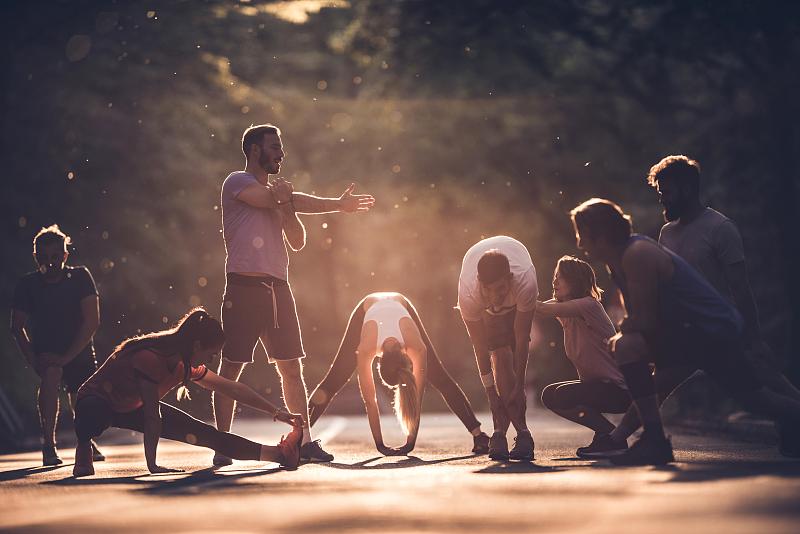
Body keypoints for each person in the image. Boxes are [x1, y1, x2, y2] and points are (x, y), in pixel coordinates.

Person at [569, 198, 800, 465]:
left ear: (601, 233)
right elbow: (642, 321)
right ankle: (652, 440)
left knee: (757, 401)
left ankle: (650, 440)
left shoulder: (637, 253)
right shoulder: (617, 261)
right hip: (686, 336)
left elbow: (644, 321)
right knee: (632, 351)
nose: (579, 243)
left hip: (712, 333)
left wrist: (621, 333)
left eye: (582, 234)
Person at [215, 123, 374, 466]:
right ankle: (223, 444)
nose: (281, 154)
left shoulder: (280, 195)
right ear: (255, 150)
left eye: (281, 148)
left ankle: (303, 441)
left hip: (278, 288)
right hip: (243, 288)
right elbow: (274, 198)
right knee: (231, 368)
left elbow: (297, 239)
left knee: (291, 367)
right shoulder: (237, 182)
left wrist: (335, 206)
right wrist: (289, 200)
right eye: (274, 147)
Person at [73, 308, 304, 477]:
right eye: (211, 354)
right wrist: (152, 465)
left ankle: (278, 454)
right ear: (196, 347)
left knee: (206, 434)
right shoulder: (151, 358)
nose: (211, 360)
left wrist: (277, 412)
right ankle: (83, 446)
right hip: (99, 400)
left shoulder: (187, 365)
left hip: (133, 406)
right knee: (92, 412)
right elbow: (152, 417)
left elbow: (231, 388)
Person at [650, 155, 800, 404]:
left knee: (766, 385)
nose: (661, 197)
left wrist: (754, 338)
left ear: (686, 190)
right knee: (655, 388)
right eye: (660, 191)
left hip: (721, 330)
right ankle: (629, 438)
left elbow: (740, 288)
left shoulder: (721, 228)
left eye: (666, 191)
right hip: (685, 332)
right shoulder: (666, 233)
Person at [308, 292, 491, 455]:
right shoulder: (373, 347)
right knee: (336, 378)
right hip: (369, 307)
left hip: (400, 304)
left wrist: (384, 445)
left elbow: (372, 402)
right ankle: (300, 438)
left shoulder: (413, 347)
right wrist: (401, 443)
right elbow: (383, 401)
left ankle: (479, 436)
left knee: (439, 376)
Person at [10, 225, 105, 466]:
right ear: (36, 257)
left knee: (81, 394)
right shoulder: (27, 284)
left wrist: (68, 357)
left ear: (64, 256)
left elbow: (92, 321)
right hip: (47, 352)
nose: (50, 263)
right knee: (51, 376)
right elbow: (16, 327)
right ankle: (48, 444)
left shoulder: (81, 277)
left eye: (55, 257)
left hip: (78, 349)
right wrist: (33, 361)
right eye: (44, 258)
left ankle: (85, 438)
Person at [537, 256, 630, 458]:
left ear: (575, 280)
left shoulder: (589, 305)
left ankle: (613, 437)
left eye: (560, 277)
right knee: (550, 394)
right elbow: (538, 308)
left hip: (619, 390)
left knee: (562, 395)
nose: (554, 282)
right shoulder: (566, 310)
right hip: (597, 388)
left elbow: (540, 309)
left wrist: (515, 296)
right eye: (554, 277)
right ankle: (606, 435)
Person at [457, 236, 537, 462]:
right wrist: (491, 393)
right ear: (480, 283)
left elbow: (523, 338)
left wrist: (520, 385)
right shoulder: (469, 294)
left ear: (509, 279)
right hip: (484, 309)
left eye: (500, 288)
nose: (495, 296)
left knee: (509, 359)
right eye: (489, 290)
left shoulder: (525, 282)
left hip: (516, 303)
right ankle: (503, 433)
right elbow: (479, 347)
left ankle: (520, 434)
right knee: (499, 355)